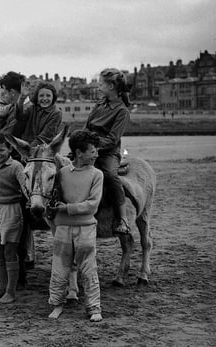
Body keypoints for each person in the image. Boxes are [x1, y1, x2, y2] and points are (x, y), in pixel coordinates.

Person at [48, 129, 103, 322]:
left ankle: (94, 308)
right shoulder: (61, 173)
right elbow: (52, 197)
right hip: (62, 229)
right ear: (79, 153)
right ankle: (56, 304)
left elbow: (93, 204)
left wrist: (66, 208)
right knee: (59, 269)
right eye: (93, 150)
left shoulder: (98, 174)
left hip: (86, 228)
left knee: (89, 270)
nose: (96, 153)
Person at [14, 81, 63, 268]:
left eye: (48, 96)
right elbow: (19, 116)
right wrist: (21, 97)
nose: (44, 99)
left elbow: (46, 136)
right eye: (41, 95)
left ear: (53, 98)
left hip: (42, 152)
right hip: (27, 151)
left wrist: (26, 150)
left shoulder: (56, 113)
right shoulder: (32, 108)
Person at [85, 68, 131, 235]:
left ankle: (122, 219)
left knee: (110, 176)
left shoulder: (122, 111)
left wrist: (93, 148)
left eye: (101, 83)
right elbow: (87, 127)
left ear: (111, 86)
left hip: (108, 152)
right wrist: (80, 143)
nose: (98, 86)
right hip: (88, 148)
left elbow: (112, 139)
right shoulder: (99, 104)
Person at [0, 131, 25, 304]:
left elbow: (25, 187)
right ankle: (1, 287)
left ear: (9, 149)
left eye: (1, 150)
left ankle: (11, 291)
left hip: (11, 209)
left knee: (9, 250)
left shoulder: (16, 166)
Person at [0, 71, 29, 136]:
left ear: (12, 92)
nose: (3, 96)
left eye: (5, 92)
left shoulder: (20, 110)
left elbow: (3, 137)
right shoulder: (20, 106)